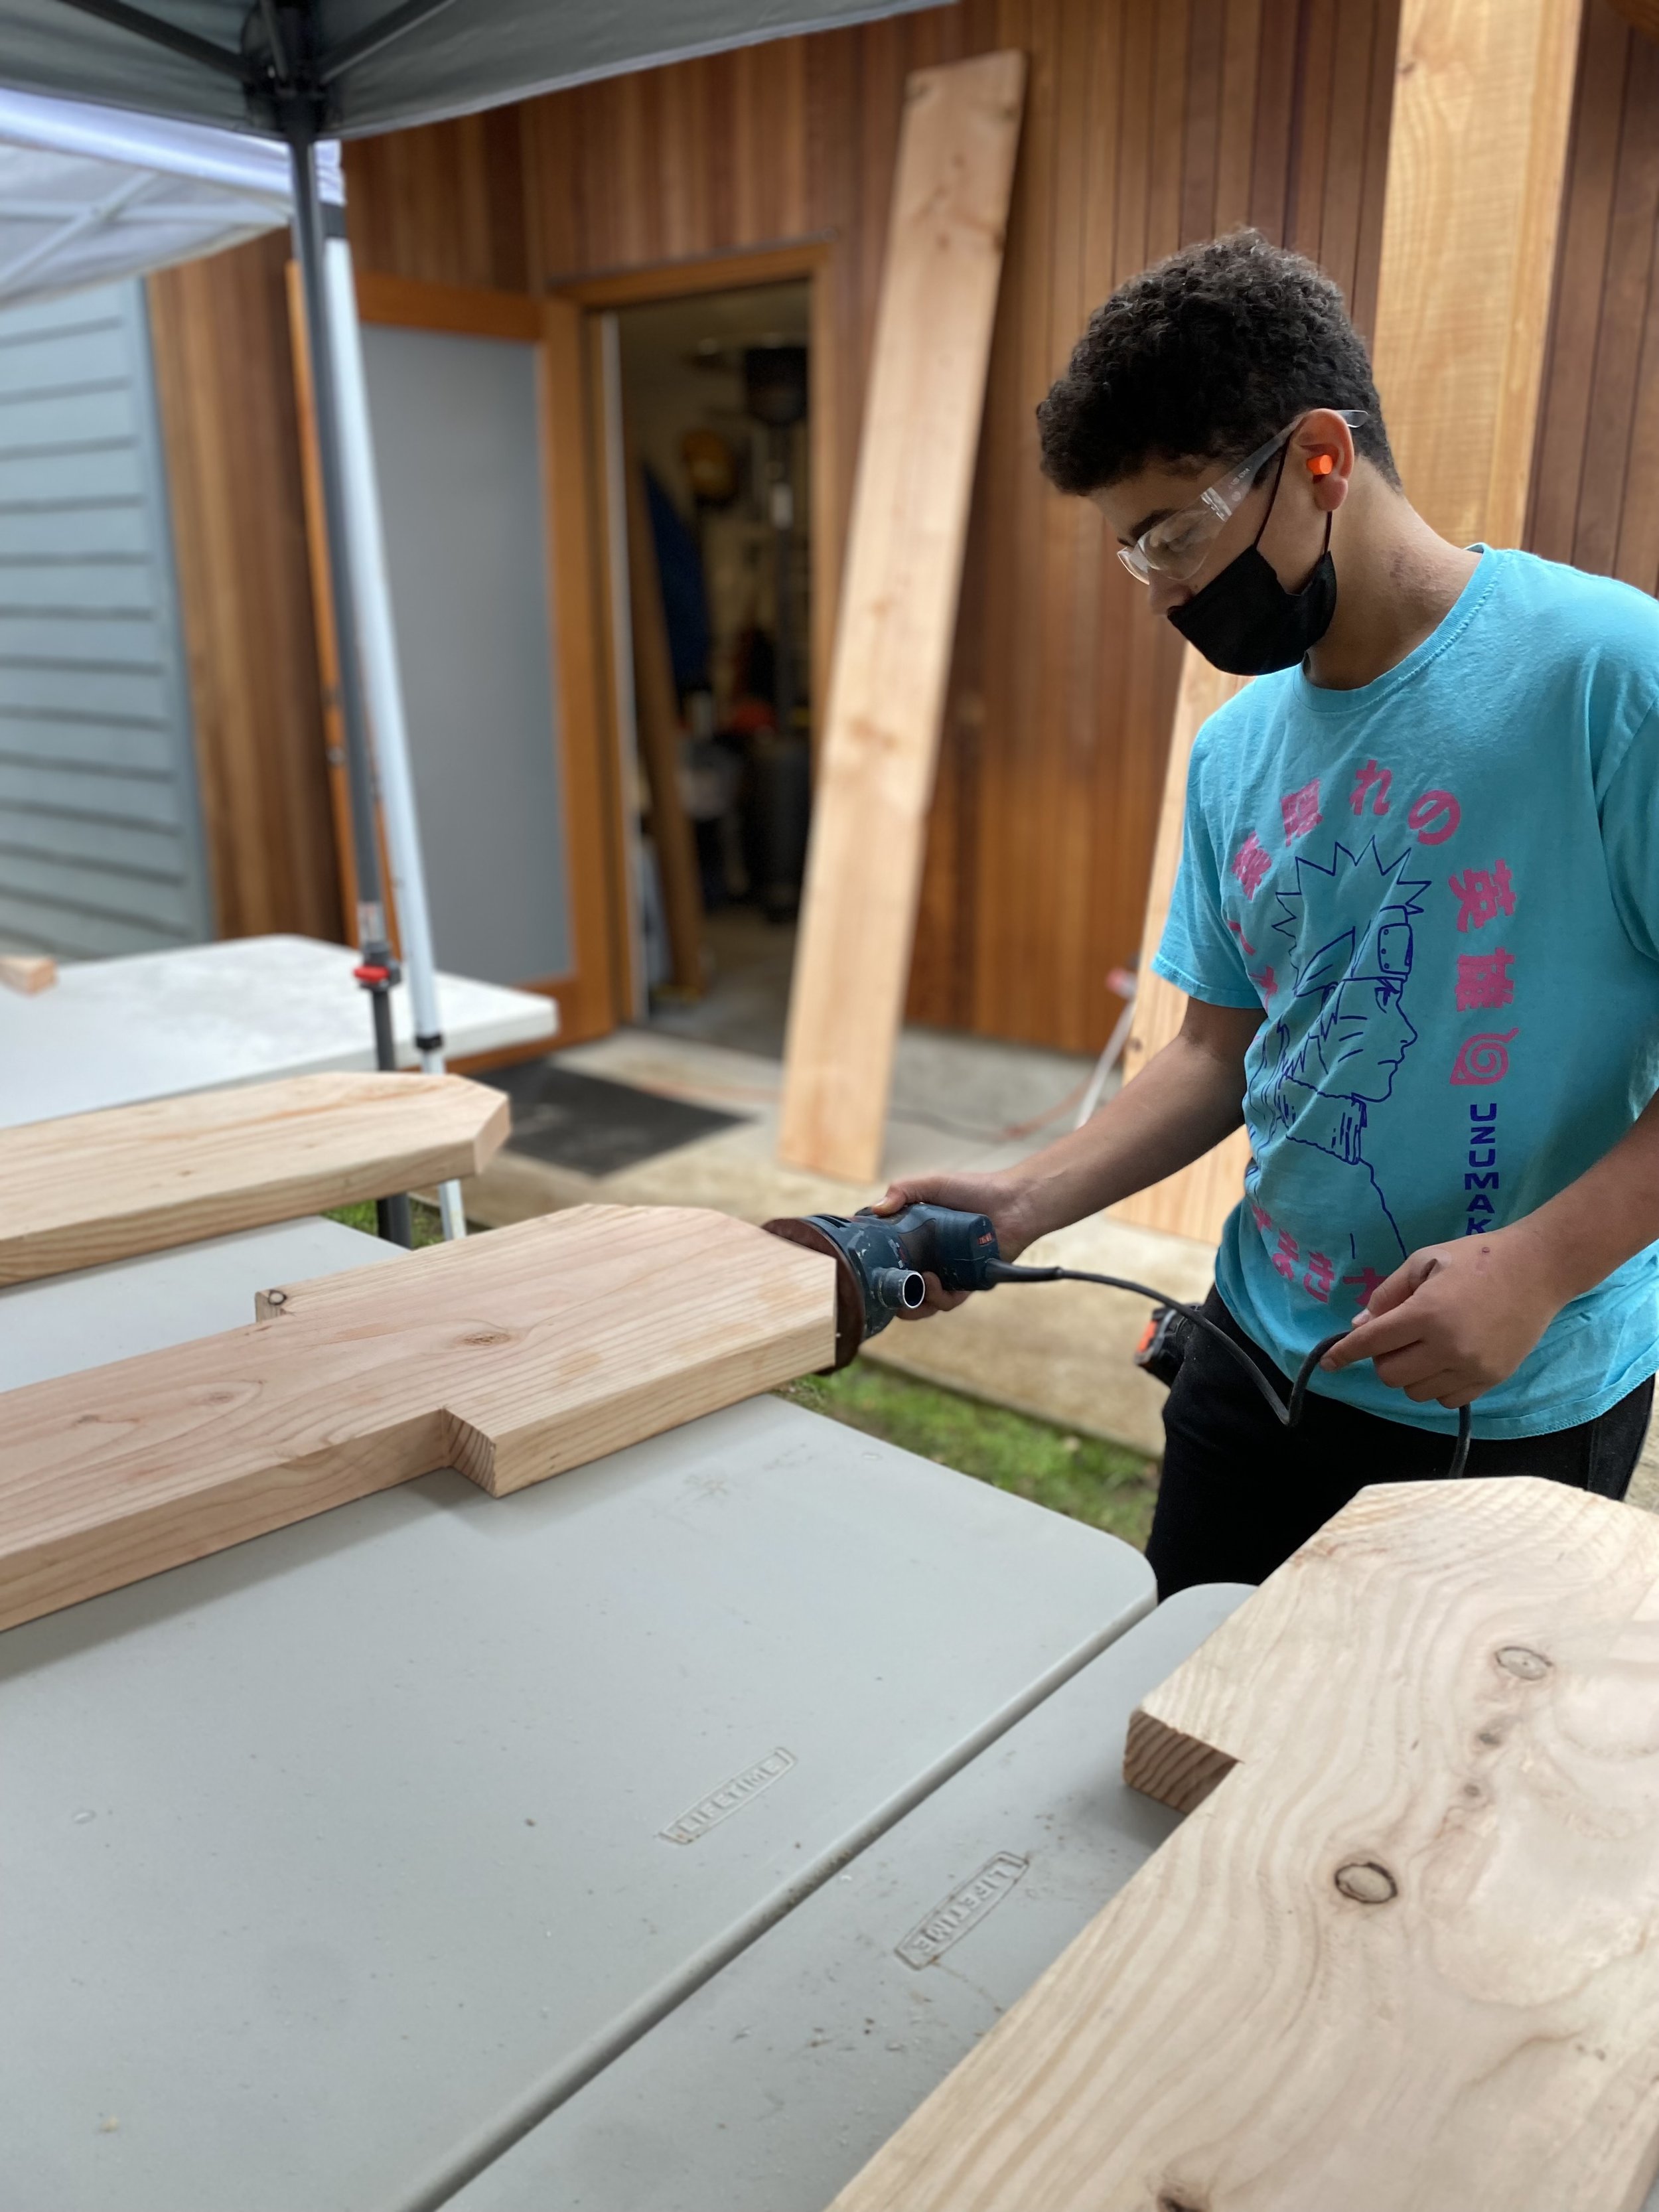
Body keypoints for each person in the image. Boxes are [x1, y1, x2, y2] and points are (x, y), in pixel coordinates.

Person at [878, 228, 1659, 1595]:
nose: (1169, 592)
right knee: (1186, 1688)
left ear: (1319, 458)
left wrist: (1539, 1265)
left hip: (1506, 1389)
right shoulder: (1235, 751)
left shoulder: (1609, 676)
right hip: (1251, 1354)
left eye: (1175, 534)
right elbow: (1212, 1050)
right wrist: (1024, 1197)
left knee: (1415, 1737)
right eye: (1134, 555)